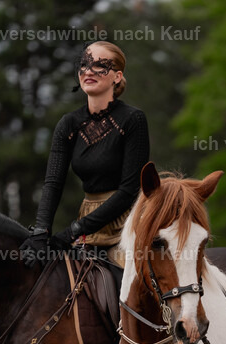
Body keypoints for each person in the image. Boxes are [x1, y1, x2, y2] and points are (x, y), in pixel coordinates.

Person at [21, 41, 150, 269]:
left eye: (100, 65)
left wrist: (73, 230)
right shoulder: (68, 124)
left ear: (117, 77)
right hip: (86, 229)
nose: (89, 70)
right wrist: (41, 232)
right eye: (84, 64)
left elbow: (130, 191)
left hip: (128, 226)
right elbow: (53, 183)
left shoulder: (133, 120)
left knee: (130, 294)